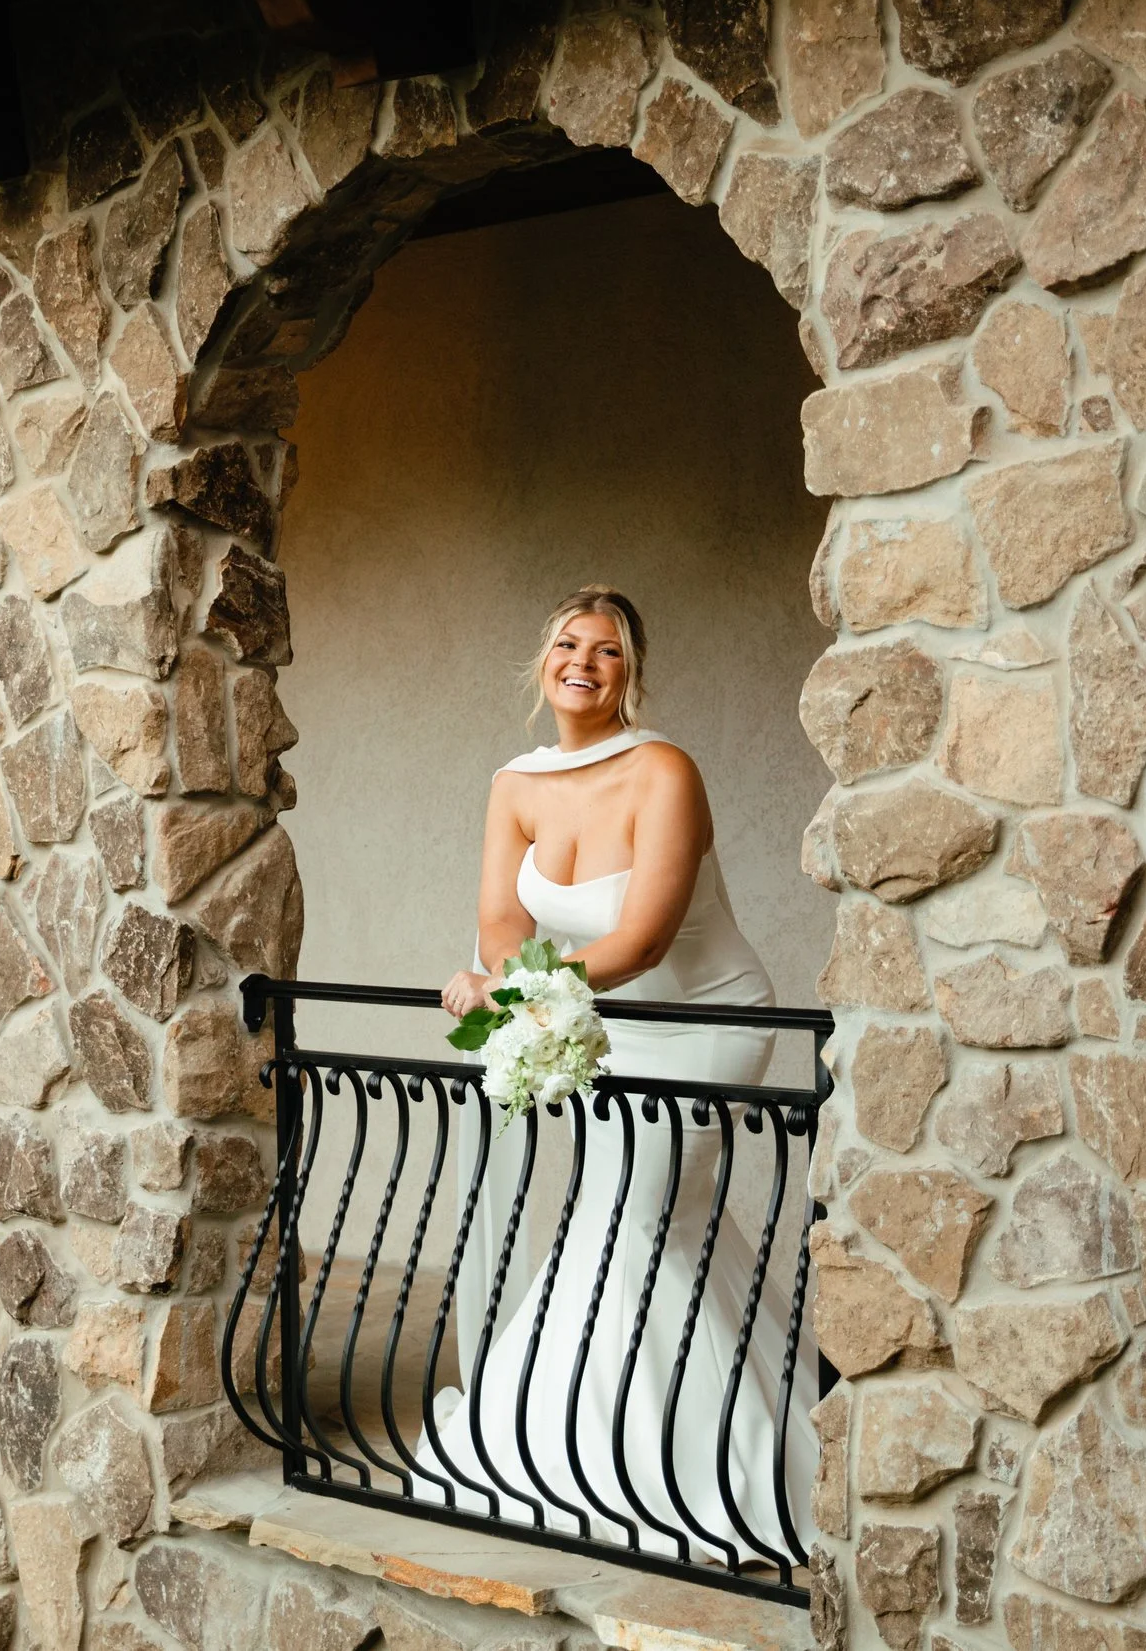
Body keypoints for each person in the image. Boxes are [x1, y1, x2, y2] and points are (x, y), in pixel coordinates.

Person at [414, 584, 814, 1568]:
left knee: (633, 1216)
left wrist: (518, 992)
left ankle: (691, 1477)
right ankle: (621, 1442)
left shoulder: (663, 768)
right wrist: (491, 980)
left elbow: (640, 940)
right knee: (644, 1218)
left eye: (607, 648)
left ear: (631, 671)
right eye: (566, 642)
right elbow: (505, 926)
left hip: (708, 1021)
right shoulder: (515, 781)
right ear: (542, 661)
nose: (582, 660)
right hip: (608, 1021)